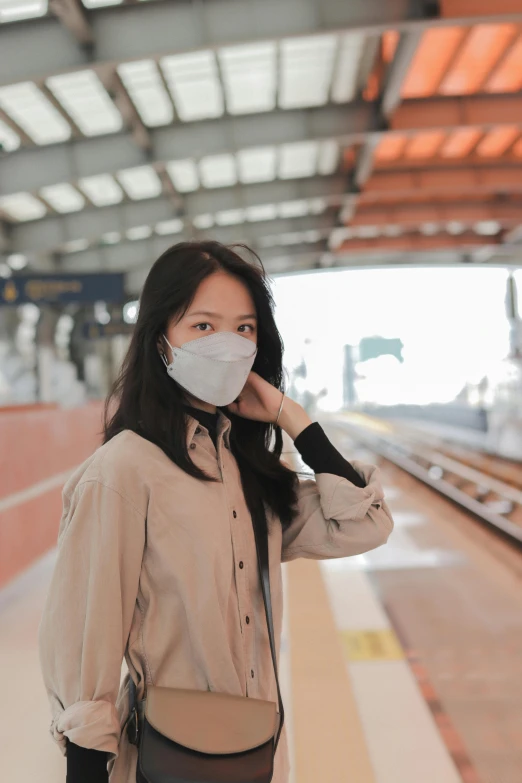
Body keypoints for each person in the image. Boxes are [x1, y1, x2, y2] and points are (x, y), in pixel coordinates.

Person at [38, 241, 394, 783]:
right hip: (171, 757)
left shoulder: (248, 467)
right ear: (161, 341)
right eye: (203, 326)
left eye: (244, 329)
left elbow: (364, 525)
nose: (227, 345)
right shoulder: (123, 471)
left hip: (259, 755)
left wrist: (290, 416)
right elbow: (84, 645)